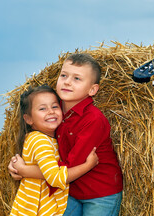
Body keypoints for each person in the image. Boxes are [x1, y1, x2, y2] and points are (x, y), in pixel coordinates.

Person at [9, 53, 123, 216]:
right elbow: (40, 144)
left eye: (77, 79)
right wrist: (17, 160)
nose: (67, 81)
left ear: (92, 89)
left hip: (100, 193)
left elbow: (67, 168)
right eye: (64, 75)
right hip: (70, 191)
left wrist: (25, 171)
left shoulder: (93, 120)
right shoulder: (53, 110)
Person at [10, 85, 99, 216]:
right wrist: (88, 165)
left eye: (55, 106)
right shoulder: (40, 141)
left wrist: (24, 170)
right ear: (28, 119)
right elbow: (55, 177)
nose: (51, 111)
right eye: (42, 108)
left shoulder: (49, 138)